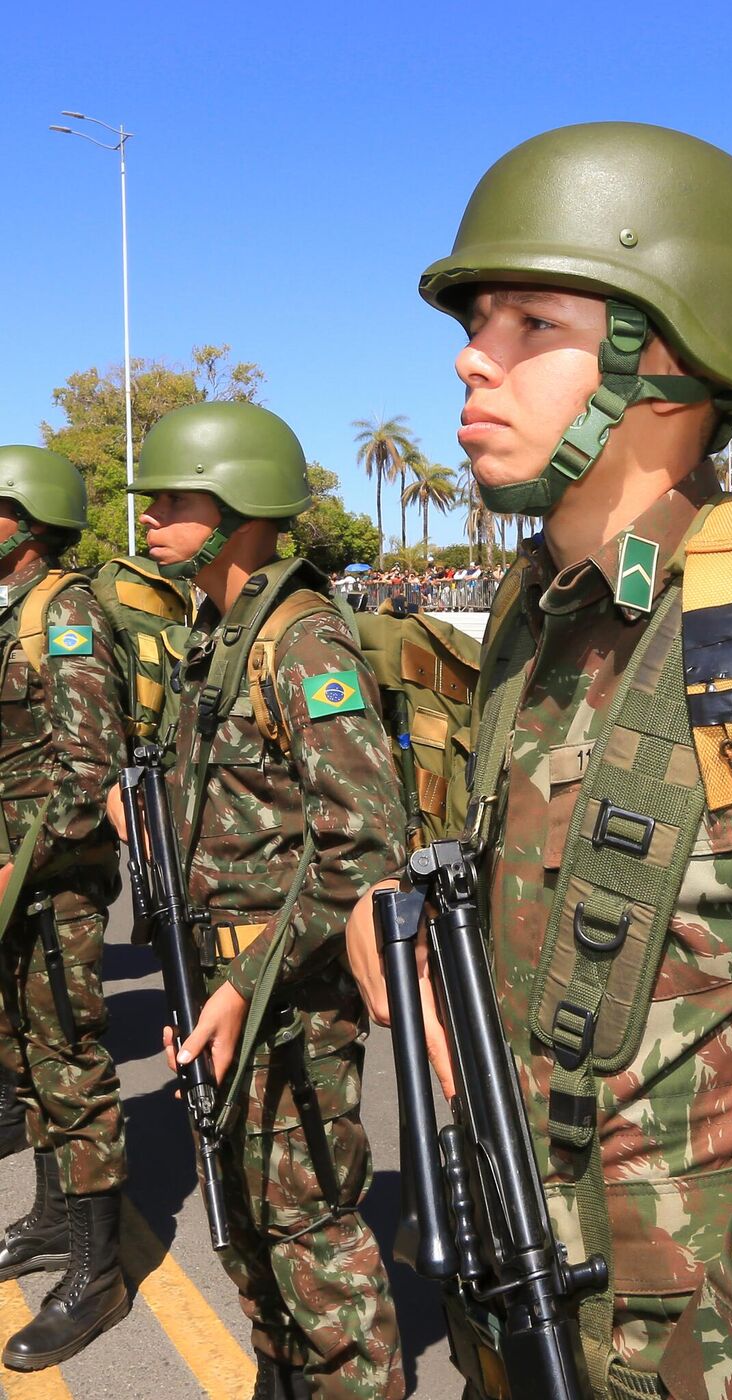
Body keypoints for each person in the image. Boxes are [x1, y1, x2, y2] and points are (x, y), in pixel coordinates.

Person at [349, 121, 732, 1400]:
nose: (472, 357)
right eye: (477, 323)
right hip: (523, 1305)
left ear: (667, 360)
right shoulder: (540, 608)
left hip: (693, 1357)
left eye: (530, 324)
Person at [118, 402, 406, 1400]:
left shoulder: (301, 640)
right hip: (226, 978)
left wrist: (242, 982)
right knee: (246, 1214)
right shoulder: (219, 634)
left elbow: (364, 840)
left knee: (306, 1226)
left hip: (290, 991)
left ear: (238, 505)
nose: (149, 517)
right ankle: (285, 1373)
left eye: (171, 498)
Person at [0, 448, 130, 1371]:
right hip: (12, 888)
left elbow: (87, 775)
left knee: (72, 1067)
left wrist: (11, 871)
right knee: (25, 1058)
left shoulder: (68, 617)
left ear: (28, 522)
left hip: (52, 890)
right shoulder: (12, 615)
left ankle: (98, 1269)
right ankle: (50, 1215)